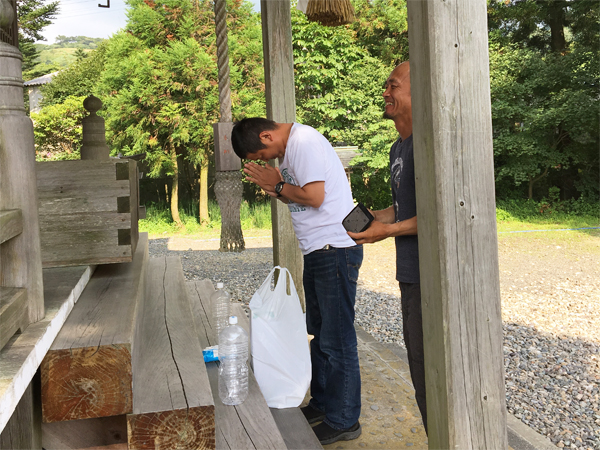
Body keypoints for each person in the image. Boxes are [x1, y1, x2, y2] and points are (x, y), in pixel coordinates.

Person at [231, 118, 364, 445]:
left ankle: (344, 419)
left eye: (261, 154)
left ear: (267, 134)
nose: (265, 161)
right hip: (320, 250)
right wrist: (276, 188)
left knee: (337, 338)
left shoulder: (302, 142)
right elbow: (298, 198)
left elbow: (315, 197)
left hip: (334, 247)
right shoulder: (290, 151)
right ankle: (322, 404)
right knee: (320, 333)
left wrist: (277, 185)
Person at [348, 61, 428, 434]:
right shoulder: (398, 147)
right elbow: (405, 205)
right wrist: (368, 217)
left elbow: (441, 214)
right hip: (410, 274)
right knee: (420, 368)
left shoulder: (429, 143)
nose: (385, 93)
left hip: (433, 276)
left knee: (434, 372)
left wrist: (387, 231)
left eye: (393, 86)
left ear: (418, 91)